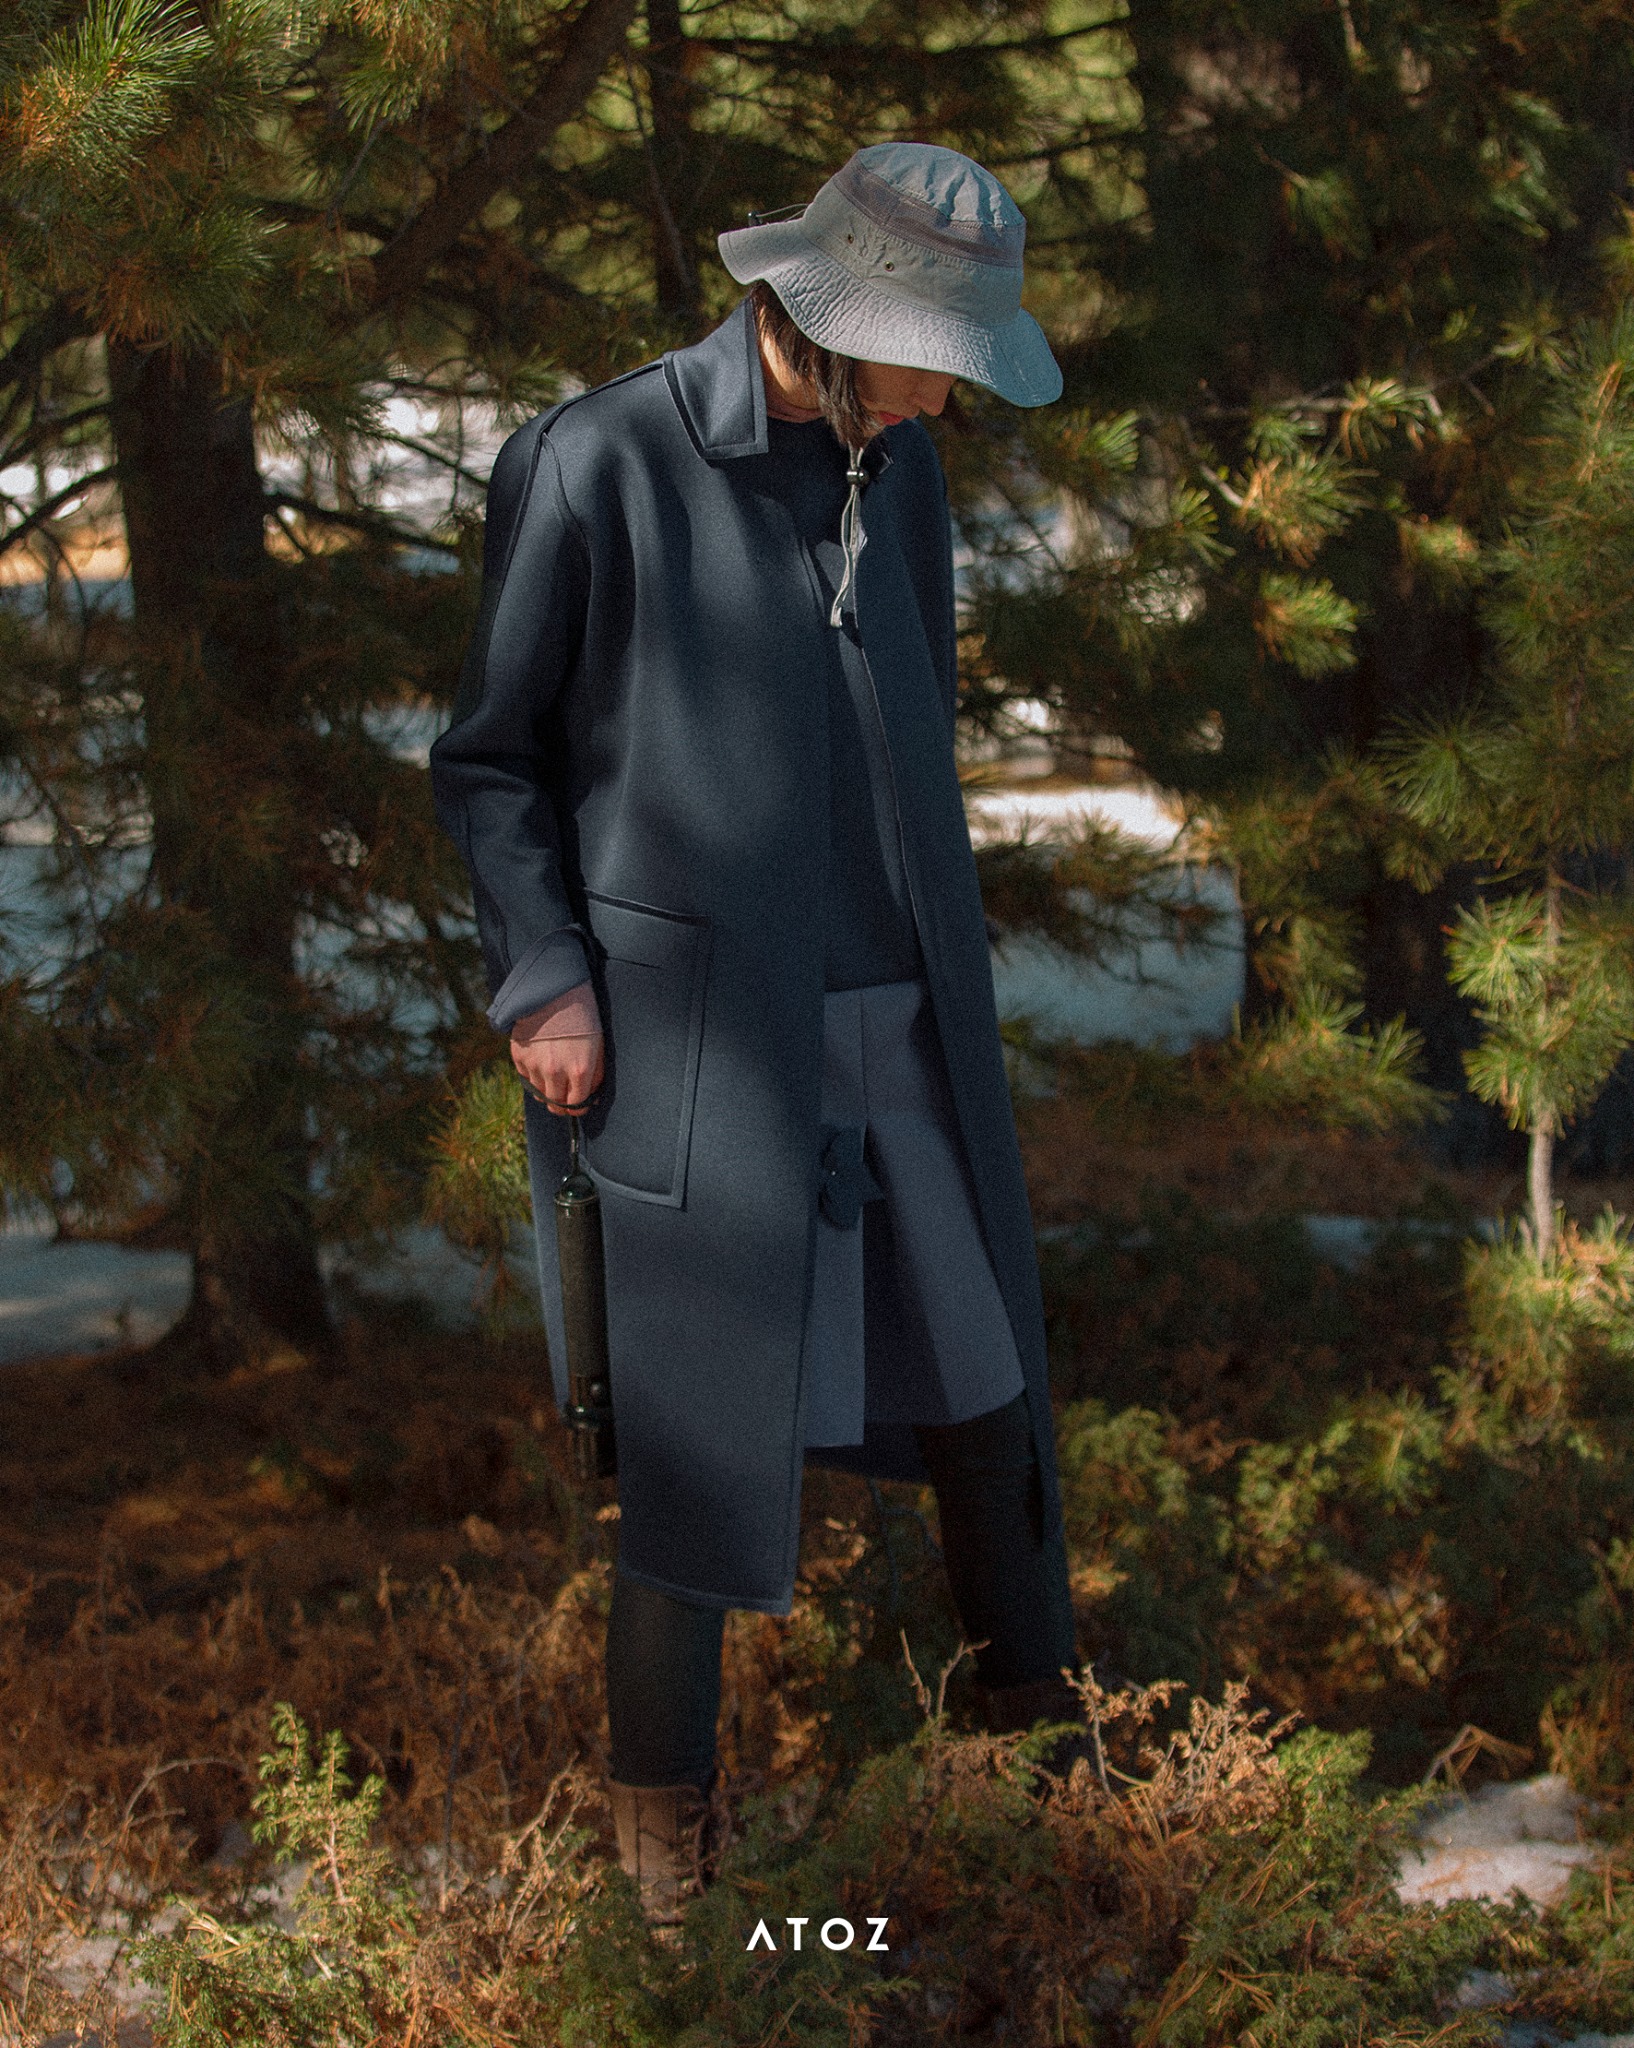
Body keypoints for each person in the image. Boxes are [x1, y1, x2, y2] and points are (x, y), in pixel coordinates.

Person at [429, 141, 1082, 1926]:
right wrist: (542, 975)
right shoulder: (596, 460)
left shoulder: (906, 466)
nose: (945, 395)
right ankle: (676, 1905)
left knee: (989, 1403)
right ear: (823, 311)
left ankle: (1062, 1836)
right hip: (689, 1042)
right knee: (699, 1457)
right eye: (926, 355)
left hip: (908, 1026)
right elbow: (490, 762)